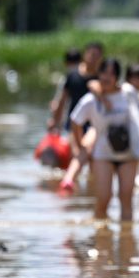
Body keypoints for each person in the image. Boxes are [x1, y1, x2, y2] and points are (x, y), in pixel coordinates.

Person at [68, 58, 138, 222]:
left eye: (111, 74)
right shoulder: (90, 100)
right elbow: (75, 120)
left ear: (117, 77)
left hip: (128, 154)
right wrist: (80, 145)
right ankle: (101, 237)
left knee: (126, 200)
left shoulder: (127, 94)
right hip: (103, 155)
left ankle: (126, 240)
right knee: (104, 198)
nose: (107, 77)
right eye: (104, 72)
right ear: (98, 74)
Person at [49, 42, 104, 191]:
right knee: (76, 154)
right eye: (90, 54)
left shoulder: (102, 78)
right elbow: (62, 100)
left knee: (94, 157)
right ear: (84, 55)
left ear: (101, 58)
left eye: (97, 56)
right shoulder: (73, 75)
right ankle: (75, 191)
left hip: (95, 124)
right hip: (74, 123)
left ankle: (91, 193)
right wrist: (55, 121)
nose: (93, 58)